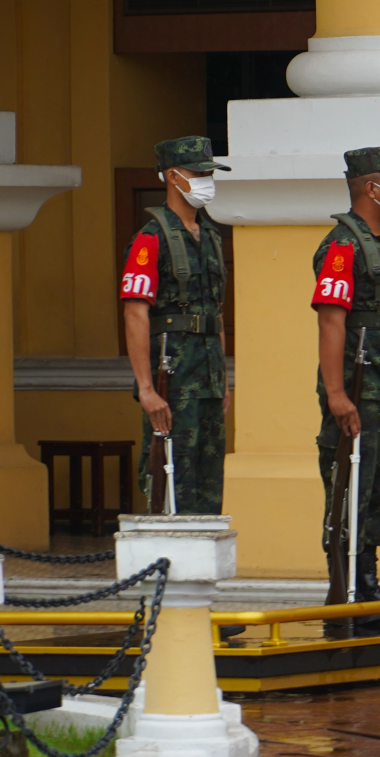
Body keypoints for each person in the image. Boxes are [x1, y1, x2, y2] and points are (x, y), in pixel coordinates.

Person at [311, 146, 380, 628]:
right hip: (360, 388)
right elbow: (332, 323)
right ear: (369, 187)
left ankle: (368, 576)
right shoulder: (343, 244)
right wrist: (336, 394)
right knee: (350, 489)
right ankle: (345, 585)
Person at [120, 136, 232, 516]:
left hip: (209, 380)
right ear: (172, 176)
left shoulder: (211, 237)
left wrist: (224, 381)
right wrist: (146, 389)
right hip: (174, 380)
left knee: (208, 482)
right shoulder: (150, 240)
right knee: (171, 475)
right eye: (198, 173)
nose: (206, 180)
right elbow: (135, 313)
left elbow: (214, 312)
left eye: (208, 173)